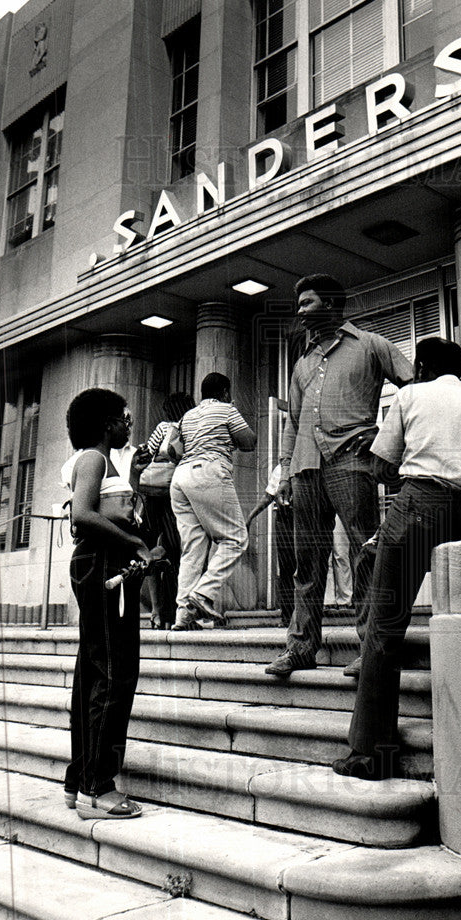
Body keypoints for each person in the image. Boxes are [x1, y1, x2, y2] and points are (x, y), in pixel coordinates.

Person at [333, 337, 461, 780]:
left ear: (424, 365)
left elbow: (381, 468)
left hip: (419, 507)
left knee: (385, 629)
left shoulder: (410, 395)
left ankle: (372, 754)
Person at [265, 274, 414, 676]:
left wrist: (387, 445)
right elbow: (292, 423)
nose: (299, 310)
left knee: (365, 554)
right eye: (299, 303)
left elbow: (414, 390)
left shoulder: (371, 345)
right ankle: (300, 647)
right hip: (304, 469)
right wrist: (283, 473)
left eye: (308, 302)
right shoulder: (302, 363)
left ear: (331, 305)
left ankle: (371, 648)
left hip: (353, 461)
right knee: (306, 562)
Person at [61, 388, 163, 819]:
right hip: (103, 564)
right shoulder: (93, 459)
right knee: (115, 674)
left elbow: (109, 511)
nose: (129, 423)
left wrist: (134, 481)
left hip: (103, 565)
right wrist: (134, 542)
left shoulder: (108, 464)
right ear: (106, 423)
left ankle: (78, 779)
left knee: (94, 672)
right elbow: (81, 516)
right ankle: (98, 790)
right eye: (123, 417)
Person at [170, 372, 256, 629]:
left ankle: (183, 614)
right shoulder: (226, 409)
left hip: (180, 477)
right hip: (208, 470)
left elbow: (170, 450)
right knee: (236, 538)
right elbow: (249, 442)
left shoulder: (188, 416)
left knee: (192, 549)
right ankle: (203, 593)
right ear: (226, 392)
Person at [139, 391, 195, 628]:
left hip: (152, 495)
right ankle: (174, 612)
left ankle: (156, 612)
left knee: (148, 549)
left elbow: (146, 453)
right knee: (176, 552)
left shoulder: (162, 427)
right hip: (175, 494)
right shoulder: (190, 428)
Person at [246, 464, 295, 627]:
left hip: (307, 517)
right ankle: (288, 616)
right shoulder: (281, 469)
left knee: (307, 567)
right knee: (287, 568)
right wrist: (251, 516)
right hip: (286, 518)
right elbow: (268, 497)